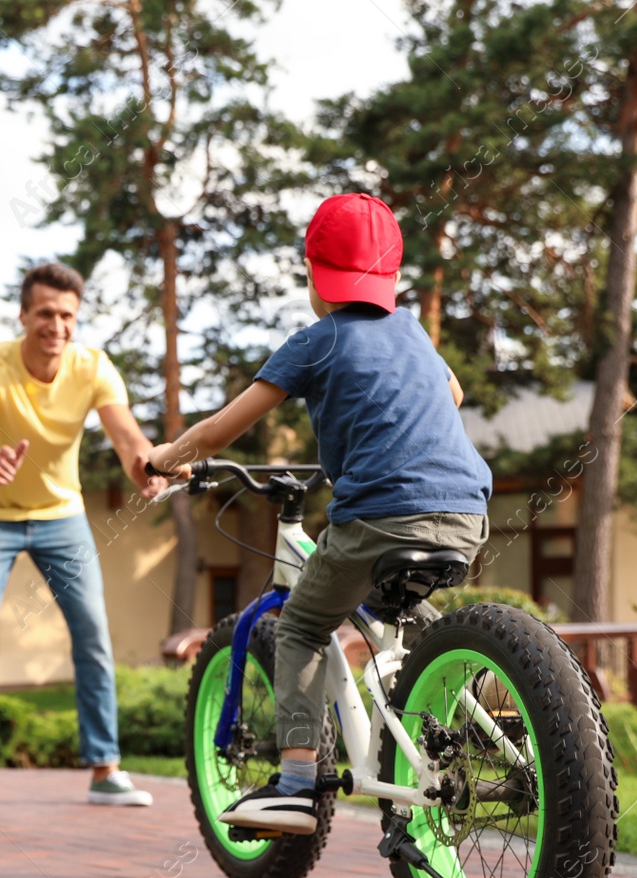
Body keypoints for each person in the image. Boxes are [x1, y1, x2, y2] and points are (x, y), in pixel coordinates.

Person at [146, 193, 493, 835]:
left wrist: (167, 457)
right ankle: (469, 721)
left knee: (304, 625)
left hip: (379, 517)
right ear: (387, 277)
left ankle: (298, 783)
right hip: (466, 511)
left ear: (314, 273)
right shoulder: (412, 328)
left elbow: (222, 429)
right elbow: (453, 391)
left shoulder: (315, 342)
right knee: (405, 615)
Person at [0, 262, 166, 813]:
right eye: (44, 313)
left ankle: (105, 769)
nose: (55, 325)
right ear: (23, 314)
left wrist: (145, 467)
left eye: (66, 315)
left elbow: (126, 432)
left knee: (93, 634)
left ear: (75, 319)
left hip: (61, 515)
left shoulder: (93, 368)